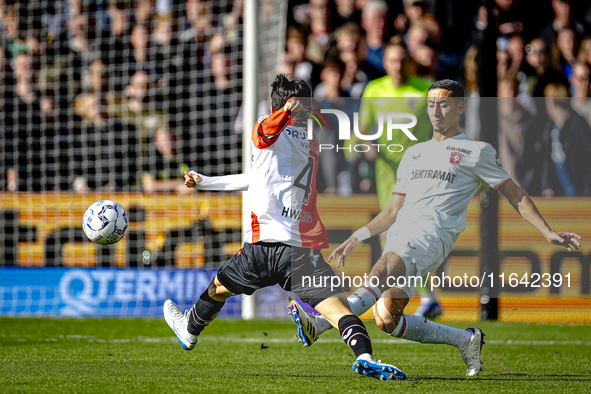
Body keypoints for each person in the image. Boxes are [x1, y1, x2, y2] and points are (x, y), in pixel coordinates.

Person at [289, 79, 583, 377]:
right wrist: (358, 235)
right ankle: (467, 340)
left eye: (443, 104)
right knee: (387, 319)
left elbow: (515, 194)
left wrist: (547, 231)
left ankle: (320, 322)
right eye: (431, 104)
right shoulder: (414, 153)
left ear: (459, 107)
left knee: (380, 272)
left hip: (432, 236)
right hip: (401, 232)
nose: (436, 111)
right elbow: (392, 211)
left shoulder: (477, 151)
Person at [163, 74, 406, 381]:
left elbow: (263, 134)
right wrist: (207, 182)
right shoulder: (311, 140)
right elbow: (259, 176)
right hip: (300, 251)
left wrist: (286, 111)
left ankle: (188, 330)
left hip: (262, 247)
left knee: (217, 289)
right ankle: (366, 356)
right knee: (339, 309)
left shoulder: (269, 125)